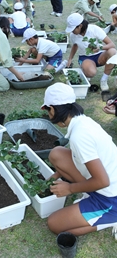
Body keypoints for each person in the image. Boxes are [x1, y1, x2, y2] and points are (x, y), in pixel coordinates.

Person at [41, 82, 117, 236]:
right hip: (105, 181)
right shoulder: (82, 121)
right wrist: (57, 174)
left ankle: (110, 218)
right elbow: (79, 157)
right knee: (57, 153)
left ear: (53, 110)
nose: (48, 114)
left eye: (47, 110)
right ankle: (90, 194)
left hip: (110, 197)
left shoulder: (79, 136)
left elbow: (103, 182)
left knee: (55, 224)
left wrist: (69, 188)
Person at [65, 13, 116, 91]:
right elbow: (75, 46)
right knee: (91, 73)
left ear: (80, 26)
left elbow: (111, 44)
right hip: (85, 57)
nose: (72, 31)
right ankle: (86, 70)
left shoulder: (94, 29)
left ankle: (104, 80)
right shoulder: (73, 35)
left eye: (73, 29)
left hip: (99, 55)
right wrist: (70, 59)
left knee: (113, 52)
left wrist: (100, 48)